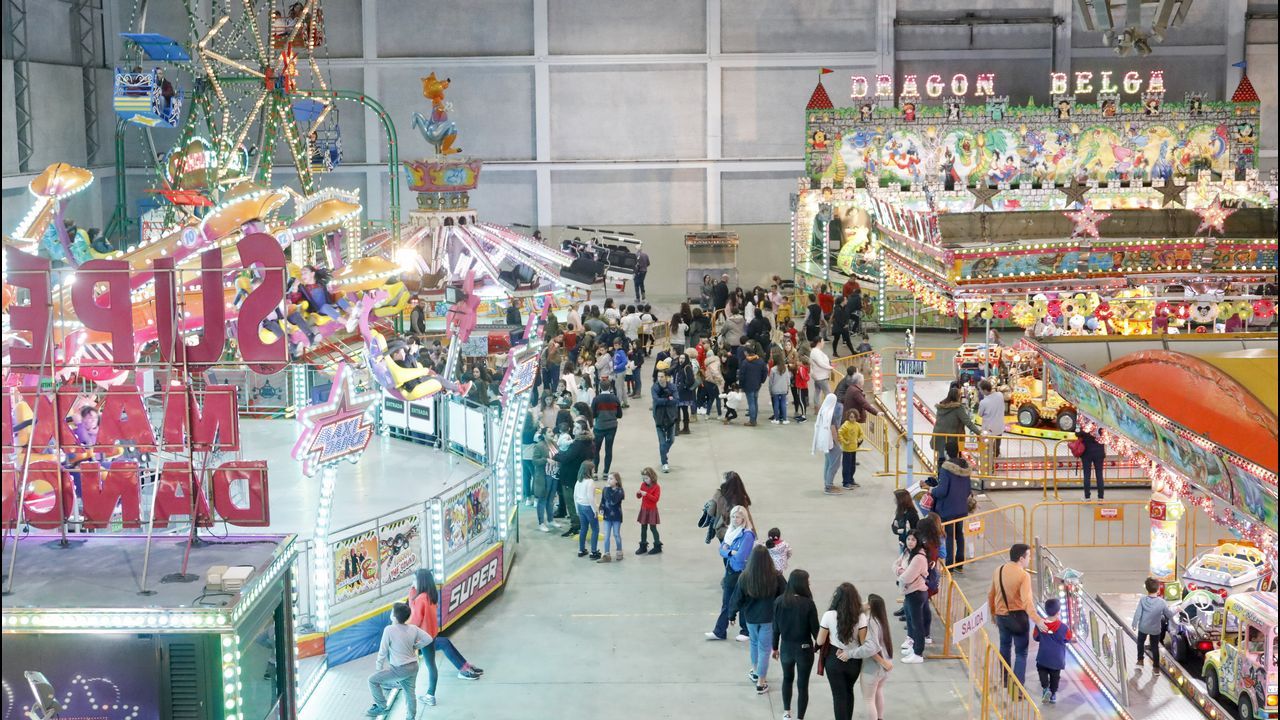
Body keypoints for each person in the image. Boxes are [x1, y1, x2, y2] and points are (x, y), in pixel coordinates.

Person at [407, 569, 483, 707]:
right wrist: (412, 591)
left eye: (414, 580)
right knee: (445, 643)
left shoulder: (420, 599)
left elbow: (415, 620)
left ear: (421, 581)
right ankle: (464, 667)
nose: (412, 583)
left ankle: (430, 695)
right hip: (432, 636)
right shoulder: (430, 596)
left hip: (423, 639)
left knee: (431, 666)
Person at [987, 543, 1047, 686]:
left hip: (1001, 616)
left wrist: (993, 613)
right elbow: (1027, 602)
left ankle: (1004, 680)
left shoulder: (998, 570)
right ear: (1021, 558)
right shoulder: (1023, 575)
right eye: (1029, 556)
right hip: (1018, 618)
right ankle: (1018, 687)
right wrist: (1037, 620)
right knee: (1021, 653)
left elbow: (991, 594)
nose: (1030, 559)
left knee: (1004, 647)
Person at [732, 545, 787, 694]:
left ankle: (756, 671)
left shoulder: (745, 577)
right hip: (768, 619)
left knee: (754, 644)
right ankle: (761, 682)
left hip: (750, 619)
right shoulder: (776, 576)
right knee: (764, 649)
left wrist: (732, 614)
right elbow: (785, 595)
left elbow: (737, 597)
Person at [366, 602, 431, 718]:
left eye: (392, 612)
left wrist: (379, 668)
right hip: (413, 666)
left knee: (372, 680)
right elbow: (428, 639)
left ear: (394, 617)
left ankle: (381, 706)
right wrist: (416, 646)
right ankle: (411, 717)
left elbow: (383, 651)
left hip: (399, 669)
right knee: (410, 693)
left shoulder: (389, 630)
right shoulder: (413, 628)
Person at [773, 569, 819, 720]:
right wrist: (819, 647)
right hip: (804, 649)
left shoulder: (779, 601)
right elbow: (815, 631)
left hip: (786, 648)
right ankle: (800, 717)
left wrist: (775, 647)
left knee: (787, 678)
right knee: (803, 685)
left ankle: (787, 712)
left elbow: (775, 628)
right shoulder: (808, 604)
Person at [707, 505, 756, 641]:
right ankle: (719, 631)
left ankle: (745, 631)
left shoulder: (748, 535)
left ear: (744, 518)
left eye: (738, 517)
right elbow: (721, 550)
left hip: (742, 573)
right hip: (730, 571)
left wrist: (728, 551)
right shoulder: (730, 532)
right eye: (733, 516)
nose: (735, 519)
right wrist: (730, 552)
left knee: (743, 602)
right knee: (726, 602)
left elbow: (741, 557)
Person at [817, 582, 865, 720]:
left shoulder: (828, 615)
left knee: (838, 696)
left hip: (834, 659)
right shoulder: (861, 617)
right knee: (849, 691)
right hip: (854, 659)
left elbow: (820, 641)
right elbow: (863, 642)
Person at [854, 594, 894, 720]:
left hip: (873, 668)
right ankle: (880, 717)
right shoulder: (881, 621)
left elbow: (870, 648)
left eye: (866, 601)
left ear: (870, 606)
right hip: (885, 667)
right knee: (878, 692)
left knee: (868, 699)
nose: (863, 603)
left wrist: (850, 653)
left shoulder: (870, 622)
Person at [551, 421, 594, 537]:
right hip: (580, 476)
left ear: (583, 430)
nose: (574, 429)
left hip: (570, 477)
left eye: (578, 428)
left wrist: (555, 455)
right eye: (574, 427)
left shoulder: (578, 444)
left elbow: (566, 457)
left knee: (571, 502)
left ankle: (575, 526)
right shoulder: (589, 442)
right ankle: (582, 524)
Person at [930, 451, 972, 569]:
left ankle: (950, 565)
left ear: (946, 452)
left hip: (947, 509)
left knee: (949, 536)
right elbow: (968, 490)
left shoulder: (946, 469)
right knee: (959, 534)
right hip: (961, 508)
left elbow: (942, 491)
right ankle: (960, 563)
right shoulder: (965, 468)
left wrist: (932, 490)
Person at [894, 531, 930, 665]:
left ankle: (918, 653)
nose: (910, 542)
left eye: (913, 540)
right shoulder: (907, 552)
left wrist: (900, 573)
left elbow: (907, 577)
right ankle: (914, 647)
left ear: (918, 541)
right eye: (908, 539)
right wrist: (900, 571)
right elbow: (894, 565)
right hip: (909, 592)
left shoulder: (919, 558)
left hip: (916, 593)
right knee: (910, 621)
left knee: (917, 624)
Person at [1033, 597, 1073, 704]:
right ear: (1058, 612)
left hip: (1043, 657)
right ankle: (1053, 694)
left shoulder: (1040, 625)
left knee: (1042, 671)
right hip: (1057, 660)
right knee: (1055, 677)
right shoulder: (1063, 628)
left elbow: (1035, 637)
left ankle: (1045, 688)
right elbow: (1068, 638)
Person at [1131, 577, 1175, 671]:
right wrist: (1177, 610)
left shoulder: (1143, 600)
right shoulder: (1162, 602)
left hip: (1143, 627)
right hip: (1155, 629)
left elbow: (1138, 613)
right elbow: (1169, 614)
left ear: (1147, 589)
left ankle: (1140, 660)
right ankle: (1156, 666)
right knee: (1154, 646)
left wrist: (1134, 624)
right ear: (1158, 589)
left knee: (1140, 642)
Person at [931, 386, 981, 466]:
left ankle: (940, 472)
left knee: (941, 457)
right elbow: (968, 422)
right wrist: (979, 433)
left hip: (938, 435)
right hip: (951, 437)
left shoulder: (941, 406)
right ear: (957, 397)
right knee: (953, 459)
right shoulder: (958, 408)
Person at [812, 393, 844, 495]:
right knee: (834, 464)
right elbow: (833, 430)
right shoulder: (831, 414)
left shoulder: (823, 411)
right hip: (831, 442)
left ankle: (827, 483)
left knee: (828, 463)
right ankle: (829, 486)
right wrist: (837, 443)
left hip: (824, 440)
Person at [590, 378, 623, 474]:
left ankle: (595, 472)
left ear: (600, 387)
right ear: (610, 387)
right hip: (612, 427)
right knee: (608, 449)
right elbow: (619, 415)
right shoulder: (615, 399)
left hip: (599, 427)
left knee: (596, 450)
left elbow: (593, 415)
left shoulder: (596, 399)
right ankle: (605, 472)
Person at [529, 429, 558, 532]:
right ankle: (541, 523)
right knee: (542, 499)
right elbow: (534, 461)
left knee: (551, 500)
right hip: (544, 476)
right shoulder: (539, 446)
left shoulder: (554, 443)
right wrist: (546, 460)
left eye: (552, 432)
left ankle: (550, 520)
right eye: (549, 432)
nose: (552, 433)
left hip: (554, 475)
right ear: (544, 435)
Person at [651, 370, 679, 473]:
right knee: (662, 442)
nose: (660, 379)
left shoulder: (672, 387)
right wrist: (668, 399)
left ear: (666, 377)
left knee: (671, 440)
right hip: (659, 418)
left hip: (670, 417)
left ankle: (663, 452)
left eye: (662, 376)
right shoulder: (654, 388)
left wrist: (664, 400)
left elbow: (676, 399)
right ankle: (664, 463)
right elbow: (656, 400)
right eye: (658, 376)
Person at [574, 461, 601, 559]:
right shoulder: (590, 482)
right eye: (593, 469)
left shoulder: (578, 481)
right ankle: (593, 552)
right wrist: (595, 510)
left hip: (580, 506)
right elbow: (591, 498)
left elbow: (575, 496)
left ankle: (581, 550)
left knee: (583, 528)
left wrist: (577, 509)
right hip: (588, 507)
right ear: (589, 471)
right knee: (595, 529)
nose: (594, 471)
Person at [635, 467, 663, 555]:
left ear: (652, 477)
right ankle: (643, 545)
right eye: (644, 478)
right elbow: (639, 497)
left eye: (646, 478)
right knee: (643, 527)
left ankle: (657, 546)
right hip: (644, 509)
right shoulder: (643, 485)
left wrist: (646, 494)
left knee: (653, 528)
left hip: (652, 510)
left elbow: (655, 499)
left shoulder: (656, 487)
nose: (645, 480)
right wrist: (638, 493)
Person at [738, 344, 768, 426]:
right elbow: (765, 371)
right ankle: (754, 419)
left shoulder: (745, 362)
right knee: (755, 402)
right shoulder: (760, 361)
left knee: (751, 403)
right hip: (757, 385)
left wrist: (741, 386)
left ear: (746, 352)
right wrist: (762, 381)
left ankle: (752, 421)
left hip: (748, 385)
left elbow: (742, 376)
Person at [598, 471, 625, 562]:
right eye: (608, 478)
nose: (608, 480)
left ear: (616, 481)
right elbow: (603, 501)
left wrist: (607, 490)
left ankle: (619, 551)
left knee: (616, 534)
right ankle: (606, 554)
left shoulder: (620, 491)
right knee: (606, 535)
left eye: (611, 478)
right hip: (607, 516)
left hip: (616, 516)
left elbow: (612, 501)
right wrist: (601, 508)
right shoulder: (605, 489)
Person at [836, 408, 865, 488]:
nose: (853, 419)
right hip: (847, 450)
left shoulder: (857, 425)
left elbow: (861, 434)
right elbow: (839, 433)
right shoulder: (845, 425)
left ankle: (851, 480)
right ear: (848, 417)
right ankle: (846, 482)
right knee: (846, 466)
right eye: (851, 417)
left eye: (854, 417)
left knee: (852, 466)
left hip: (853, 449)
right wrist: (845, 442)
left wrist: (859, 439)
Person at [1075, 428, 1107, 500]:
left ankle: (1087, 497)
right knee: (1099, 475)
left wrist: (1078, 429)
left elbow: (1077, 433)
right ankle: (1100, 497)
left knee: (1087, 475)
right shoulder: (1101, 426)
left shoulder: (1085, 425)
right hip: (1099, 452)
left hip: (1086, 453)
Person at [976, 380, 1005, 457]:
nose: (980, 391)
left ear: (985, 390)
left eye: (980, 389)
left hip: (988, 428)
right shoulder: (1000, 395)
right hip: (999, 425)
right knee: (997, 443)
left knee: (987, 446)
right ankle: (996, 455)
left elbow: (980, 414)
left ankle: (988, 458)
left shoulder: (983, 402)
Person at [808, 339, 833, 408]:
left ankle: (817, 407)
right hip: (821, 376)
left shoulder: (815, 351)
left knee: (817, 391)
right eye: (822, 341)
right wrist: (830, 367)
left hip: (819, 376)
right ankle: (828, 408)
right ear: (819, 342)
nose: (823, 343)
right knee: (828, 393)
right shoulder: (816, 352)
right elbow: (820, 363)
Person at [768, 358, 792, 425]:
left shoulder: (773, 369)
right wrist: (788, 387)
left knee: (776, 403)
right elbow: (788, 379)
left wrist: (770, 390)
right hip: (784, 389)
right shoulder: (785, 369)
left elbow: (770, 381)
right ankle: (785, 419)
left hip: (775, 389)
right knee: (783, 403)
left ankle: (776, 419)